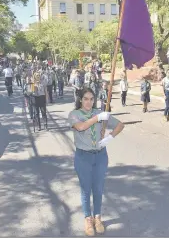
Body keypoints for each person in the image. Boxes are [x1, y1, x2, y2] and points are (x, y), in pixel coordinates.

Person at [68, 88, 124, 236]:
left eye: (92, 99)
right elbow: (81, 127)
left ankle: (97, 217)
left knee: (98, 188)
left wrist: (109, 138)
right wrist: (97, 118)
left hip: (100, 156)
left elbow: (120, 125)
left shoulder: (100, 112)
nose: (89, 102)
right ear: (80, 99)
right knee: (86, 189)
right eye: (86, 98)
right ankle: (88, 219)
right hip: (83, 157)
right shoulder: (74, 114)